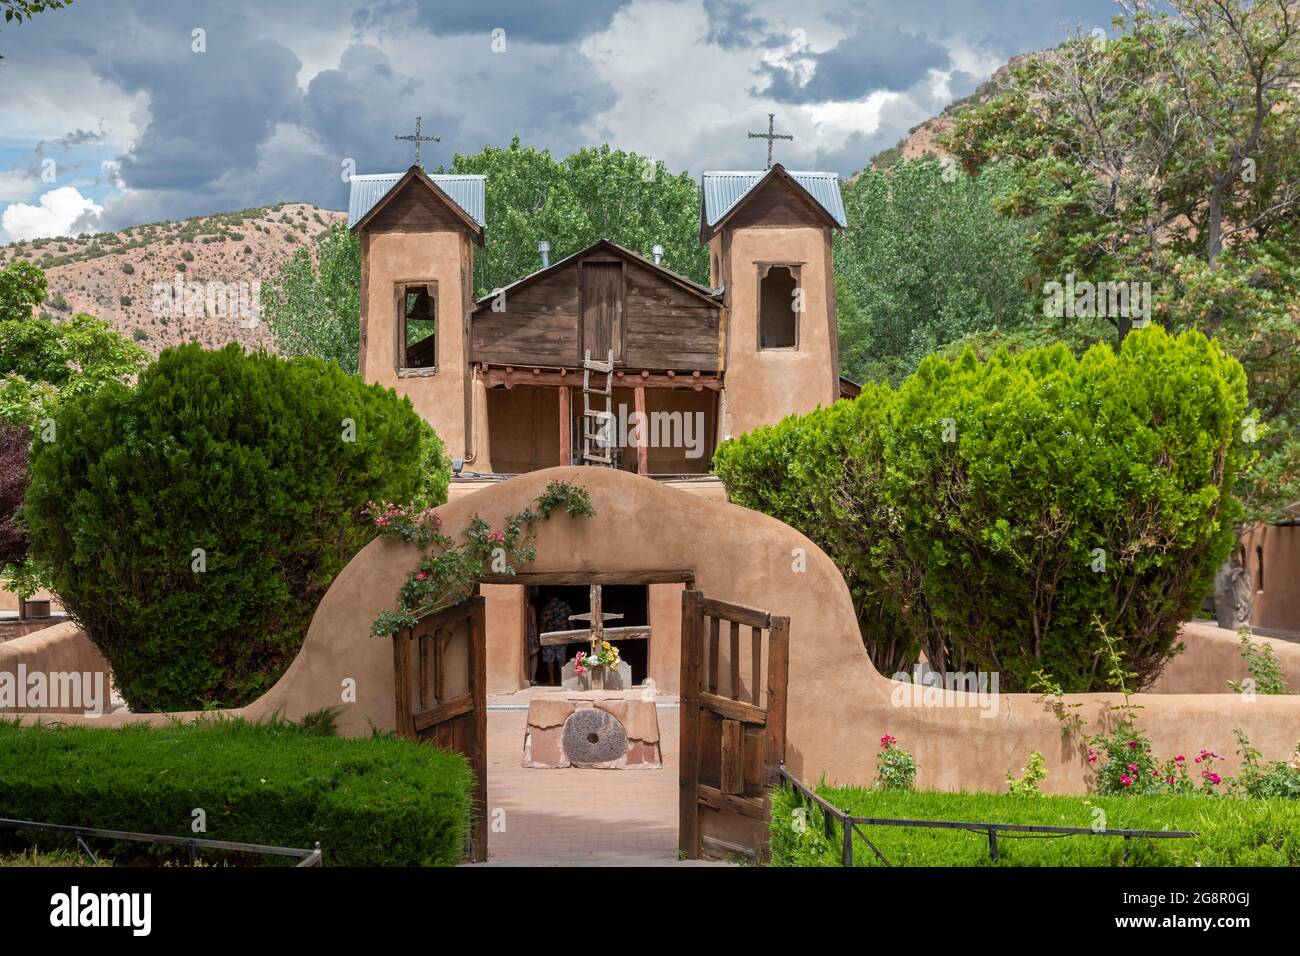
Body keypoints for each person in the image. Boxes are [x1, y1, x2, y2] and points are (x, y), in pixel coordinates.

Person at [539, 595, 576, 685]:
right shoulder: (566, 606)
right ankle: (562, 681)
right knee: (561, 660)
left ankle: (552, 680)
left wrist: (540, 634)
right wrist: (573, 632)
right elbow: (570, 621)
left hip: (549, 636)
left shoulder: (547, 607)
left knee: (550, 660)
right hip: (562, 636)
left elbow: (543, 622)